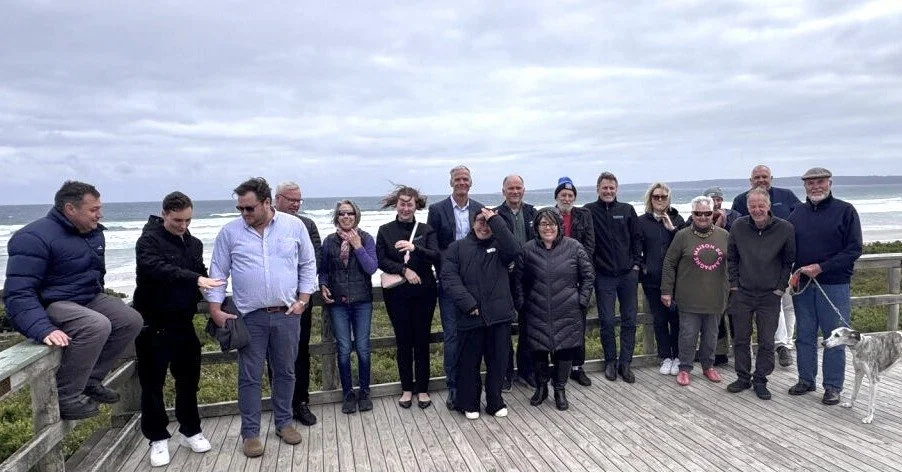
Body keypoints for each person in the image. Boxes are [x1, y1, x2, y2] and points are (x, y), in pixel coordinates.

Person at [3, 181, 143, 421]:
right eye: (93, 209)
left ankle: (91, 379)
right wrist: (41, 328)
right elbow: (18, 292)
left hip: (86, 297)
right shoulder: (32, 237)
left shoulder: (93, 233)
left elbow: (94, 275)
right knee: (96, 325)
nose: (100, 214)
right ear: (70, 209)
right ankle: (66, 395)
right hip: (51, 304)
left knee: (131, 320)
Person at [205, 177, 317, 457]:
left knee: (286, 372)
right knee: (249, 376)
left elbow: (307, 264)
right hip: (248, 317)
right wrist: (215, 309)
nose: (244, 214)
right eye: (240, 208)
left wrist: (303, 299)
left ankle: (284, 423)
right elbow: (218, 272)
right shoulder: (230, 232)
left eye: (249, 208)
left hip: (288, 314)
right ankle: (250, 433)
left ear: (267, 203)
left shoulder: (295, 226)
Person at [133, 191, 224, 467]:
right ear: (164, 214)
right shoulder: (148, 240)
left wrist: (215, 291)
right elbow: (158, 269)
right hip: (153, 323)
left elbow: (201, 271)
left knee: (188, 380)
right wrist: (195, 278)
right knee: (152, 384)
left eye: (187, 220)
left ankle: (190, 430)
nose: (183, 226)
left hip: (183, 322)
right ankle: (157, 437)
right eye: (177, 221)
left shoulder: (193, 243)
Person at [787, 167, 863, 405]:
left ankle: (832, 386)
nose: (815, 187)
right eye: (810, 184)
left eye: (820, 182)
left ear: (830, 183)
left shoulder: (846, 211)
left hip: (834, 284)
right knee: (805, 335)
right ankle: (806, 379)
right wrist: (790, 273)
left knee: (835, 336)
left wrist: (822, 267)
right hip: (804, 285)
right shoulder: (796, 213)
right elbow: (786, 247)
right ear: (805, 187)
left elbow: (854, 249)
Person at [441, 207, 520, 420]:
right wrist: (468, 303)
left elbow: (515, 250)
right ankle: (470, 402)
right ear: (473, 223)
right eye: (480, 221)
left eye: (488, 222)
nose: (484, 226)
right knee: (468, 363)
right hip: (470, 315)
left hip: (499, 315)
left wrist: (496, 220)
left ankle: (495, 402)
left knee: (498, 362)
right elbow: (449, 278)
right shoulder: (457, 248)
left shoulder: (502, 247)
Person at [518, 209, 594, 411]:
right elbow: (517, 280)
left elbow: (588, 276)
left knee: (565, 350)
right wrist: (522, 303)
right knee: (538, 350)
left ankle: (560, 389)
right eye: (543, 224)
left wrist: (582, 301)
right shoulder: (527, 250)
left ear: (559, 226)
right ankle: (541, 387)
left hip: (568, 309)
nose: (547, 228)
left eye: (551, 224)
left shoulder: (574, 247)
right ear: (536, 227)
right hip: (536, 309)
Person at [726, 188, 795, 400]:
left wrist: (780, 288)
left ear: (769, 205)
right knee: (741, 338)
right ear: (747, 207)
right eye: (752, 206)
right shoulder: (738, 226)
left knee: (766, 341)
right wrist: (735, 285)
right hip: (743, 293)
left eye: (761, 205)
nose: (757, 210)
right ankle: (743, 377)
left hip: (769, 295)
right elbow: (732, 257)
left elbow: (788, 261)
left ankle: (761, 379)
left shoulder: (784, 228)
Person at [731, 164, 802, 367]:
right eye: (757, 177)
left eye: (764, 176)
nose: (761, 179)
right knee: (750, 332)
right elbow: (736, 234)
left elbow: (800, 217)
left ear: (771, 178)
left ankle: (785, 345)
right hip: (748, 280)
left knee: (787, 307)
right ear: (750, 180)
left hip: (781, 268)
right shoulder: (741, 200)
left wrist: (781, 284)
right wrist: (734, 284)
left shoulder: (786, 195)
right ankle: (778, 348)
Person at [377, 185, 441, 409]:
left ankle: (422, 389)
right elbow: (381, 260)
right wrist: (404, 270)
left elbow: (435, 256)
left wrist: (415, 248)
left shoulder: (426, 229)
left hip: (424, 292)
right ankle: (406, 389)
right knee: (403, 340)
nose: (405, 207)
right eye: (402, 203)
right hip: (397, 294)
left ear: (416, 206)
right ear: (396, 204)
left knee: (422, 340)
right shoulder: (385, 230)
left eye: (409, 204)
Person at [427, 165, 484, 410]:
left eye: (465, 179)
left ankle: (474, 384)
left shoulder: (480, 208)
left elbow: (485, 239)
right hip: (449, 282)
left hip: (476, 283)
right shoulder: (437, 210)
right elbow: (432, 244)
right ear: (451, 183)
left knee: (476, 336)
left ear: (470, 183)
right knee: (452, 336)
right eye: (457, 179)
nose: (462, 183)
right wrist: (450, 265)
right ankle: (453, 386)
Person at [661, 196, 729, 386]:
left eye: (707, 213)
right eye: (698, 213)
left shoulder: (724, 235)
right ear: (692, 214)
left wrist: (734, 286)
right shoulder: (682, 236)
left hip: (715, 296)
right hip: (689, 297)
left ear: (712, 213)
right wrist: (666, 290)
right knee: (688, 335)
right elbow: (669, 263)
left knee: (711, 335)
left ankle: (708, 366)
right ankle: (684, 368)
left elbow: (734, 263)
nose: (703, 217)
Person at [320, 200, 378, 414]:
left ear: (356, 216)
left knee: (363, 349)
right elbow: (323, 269)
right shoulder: (329, 241)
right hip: (338, 304)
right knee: (343, 350)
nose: (346, 217)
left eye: (350, 213)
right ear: (337, 217)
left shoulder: (366, 238)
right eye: (342, 214)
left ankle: (364, 392)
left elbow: (372, 268)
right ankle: (347, 394)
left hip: (362, 302)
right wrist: (322, 284)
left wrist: (358, 246)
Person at [584, 172, 642, 383]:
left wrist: (636, 265)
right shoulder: (588, 211)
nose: (608, 191)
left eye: (611, 188)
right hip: (604, 275)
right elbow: (586, 241)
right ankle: (610, 361)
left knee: (630, 320)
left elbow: (637, 238)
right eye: (604, 188)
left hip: (628, 274)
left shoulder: (626, 209)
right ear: (598, 189)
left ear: (616, 189)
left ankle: (625, 363)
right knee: (607, 321)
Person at [272, 181, 322, 426]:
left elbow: (315, 259)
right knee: (275, 356)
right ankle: (281, 405)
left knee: (300, 352)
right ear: (276, 198)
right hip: (273, 302)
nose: (295, 204)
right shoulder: (264, 225)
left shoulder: (307, 224)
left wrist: (302, 293)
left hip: (301, 300)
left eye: (298, 200)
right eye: (291, 199)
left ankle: (301, 402)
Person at [550, 177, 596, 386]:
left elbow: (590, 244)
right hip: (555, 277)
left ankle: (577, 367)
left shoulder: (584, 215)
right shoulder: (548, 216)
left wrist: (576, 267)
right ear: (556, 197)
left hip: (577, 274)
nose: (566, 198)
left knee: (578, 324)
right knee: (555, 326)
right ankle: (557, 368)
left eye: (570, 195)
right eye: (563, 195)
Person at [636, 183, 685, 376]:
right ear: (650, 198)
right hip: (653, 280)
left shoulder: (678, 218)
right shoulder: (642, 221)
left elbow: (684, 245)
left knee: (677, 319)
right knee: (660, 320)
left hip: (676, 279)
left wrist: (672, 229)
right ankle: (665, 356)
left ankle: (678, 356)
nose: (660, 200)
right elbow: (636, 248)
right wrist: (643, 268)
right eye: (656, 196)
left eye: (664, 197)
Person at [495, 174, 538, 390]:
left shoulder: (532, 212)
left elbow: (540, 241)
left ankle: (525, 371)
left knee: (528, 326)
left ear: (524, 190)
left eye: (518, 187)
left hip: (529, 277)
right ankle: (505, 372)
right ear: (503, 191)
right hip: (504, 277)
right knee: (503, 326)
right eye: (510, 188)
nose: (514, 191)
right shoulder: (496, 215)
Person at [704, 186, 739, 366]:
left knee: (735, 315)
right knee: (715, 316)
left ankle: (740, 352)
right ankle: (719, 353)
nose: (716, 202)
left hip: (732, 272)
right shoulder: (700, 217)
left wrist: (725, 223)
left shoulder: (735, 216)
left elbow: (740, 239)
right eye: (712, 199)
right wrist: (714, 224)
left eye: (718, 199)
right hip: (710, 274)